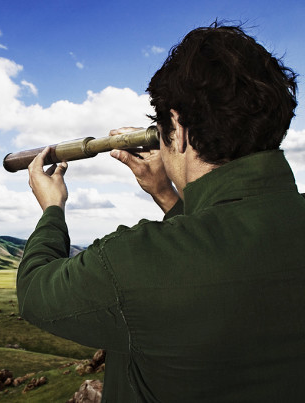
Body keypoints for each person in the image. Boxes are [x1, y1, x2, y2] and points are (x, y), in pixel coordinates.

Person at [17, 23, 305, 402]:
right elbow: (224, 236)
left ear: (180, 130)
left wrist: (52, 208)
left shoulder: (130, 260)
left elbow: (35, 290)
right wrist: (166, 193)